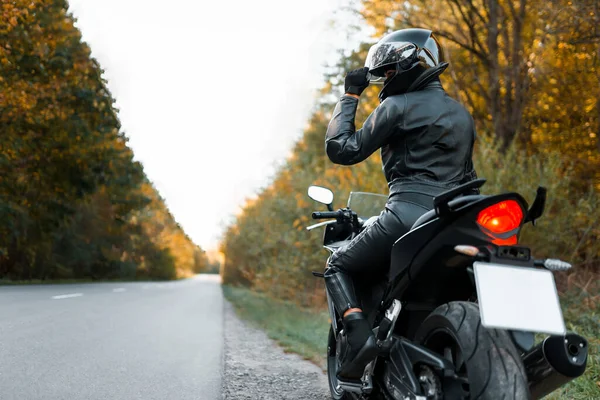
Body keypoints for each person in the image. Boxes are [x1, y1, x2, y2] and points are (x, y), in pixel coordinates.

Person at [324, 28, 479, 381]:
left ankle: (361, 339)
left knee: (337, 265)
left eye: (389, 71)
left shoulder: (396, 106)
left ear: (412, 64)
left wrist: (350, 94)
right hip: (451, 218)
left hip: (406, 214)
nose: (385, 80)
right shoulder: (462, 115)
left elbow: (342, 149)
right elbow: (468, 177)